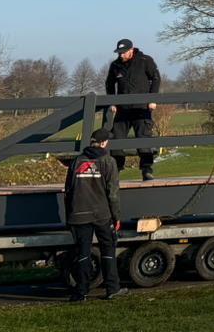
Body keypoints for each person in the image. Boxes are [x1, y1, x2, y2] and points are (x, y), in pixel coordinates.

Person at [64, 128, 122, 301]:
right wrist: (116, 216)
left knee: (83, 253)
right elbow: (113, 193)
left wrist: (69, 216)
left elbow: (68, 191)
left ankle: (81, 292)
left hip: (79, 214)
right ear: (103, 143)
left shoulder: (76, 162)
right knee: (108, 249)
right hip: (102, 214)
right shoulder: (108, 161)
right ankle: (112, 288)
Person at [105, 38, 162, 180]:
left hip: (141, 108)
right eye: (119, 53)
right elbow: (110, 84)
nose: (121, 55)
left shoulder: (144, 60)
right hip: (122, 109)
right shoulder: (115, 65)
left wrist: (152, 98)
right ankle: (117, 169)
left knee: (143, 139)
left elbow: (156, 78)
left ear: (131, 50)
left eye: (123, 52)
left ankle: (147, 169)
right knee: (116, 140)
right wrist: (112, 102)